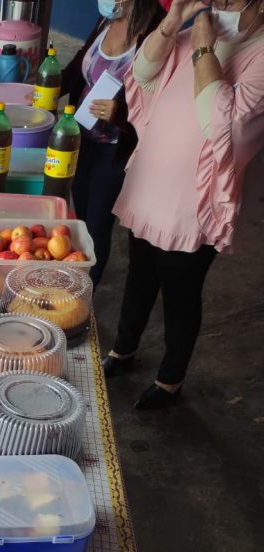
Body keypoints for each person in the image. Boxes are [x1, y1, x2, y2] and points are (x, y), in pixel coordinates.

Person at [104, 0, 264, 409]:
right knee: (139, 276)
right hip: (151, 188)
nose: (218, 5)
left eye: (229, 1)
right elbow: (141, 75)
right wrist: (174, 22)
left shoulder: (257, 54)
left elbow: (222, 124)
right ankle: (123, 350)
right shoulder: (190, 34)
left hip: (193, 206)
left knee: (180, 294)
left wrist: (206, 51)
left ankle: (170, 381)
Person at [60, 0, 164, 287]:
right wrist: (47, 84)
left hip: (116, 147)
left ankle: (84, 298)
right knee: (77, 217)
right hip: (80, 137)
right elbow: (82, 63)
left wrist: (120, 112)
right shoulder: (106, 19)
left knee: (96, 226)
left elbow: (159, 99)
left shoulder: (156, 31)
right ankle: (68, 282)